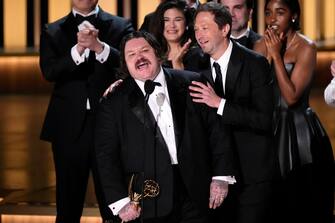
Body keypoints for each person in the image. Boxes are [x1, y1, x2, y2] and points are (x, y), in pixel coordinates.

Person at [94, 31, 236, 223]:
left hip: (197, 192)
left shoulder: (192, 82)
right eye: (131, 55)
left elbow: (217, 132)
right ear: (125, 63)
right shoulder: (113, 100)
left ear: (158, 53)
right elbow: (105, 155)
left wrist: (221, 176)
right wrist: (120, 201)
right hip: (148, 198)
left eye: (145, 50)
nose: (139, 57)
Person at [39, 0, 133, 222]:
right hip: (68, 128)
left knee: (114, 200)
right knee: (67, 203)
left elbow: (129, 64)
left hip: (110, 125)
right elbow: (49, 71)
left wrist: (99, 47)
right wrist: (78, 49)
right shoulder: (52, 30)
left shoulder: (121, 25)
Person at [190, 2, 276, 223]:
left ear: (224, 29)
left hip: (251, 173)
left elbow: (265, 120)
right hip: (213, 173)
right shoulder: (193, 62)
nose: (199, 34)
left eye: (205, 27)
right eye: (196, 29)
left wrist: (220, 103)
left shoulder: (254, 63)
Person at [253, 0, 334, 222]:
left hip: (299, 133)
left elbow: (290, 98)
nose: (272, 19)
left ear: (294, 16)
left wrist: (276, 56)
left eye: (280, 13)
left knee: (302, 202)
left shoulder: (306, 47)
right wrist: (268, 54)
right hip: (268, 127)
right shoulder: (259, 46)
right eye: (268, 13)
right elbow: (255, 92)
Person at [150, 0, 206, 72]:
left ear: (186, 24)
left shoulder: (197, 56)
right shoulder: (154, 54)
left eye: (178, 20)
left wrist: (178, 65)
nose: (172, 25)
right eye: (166, 20)